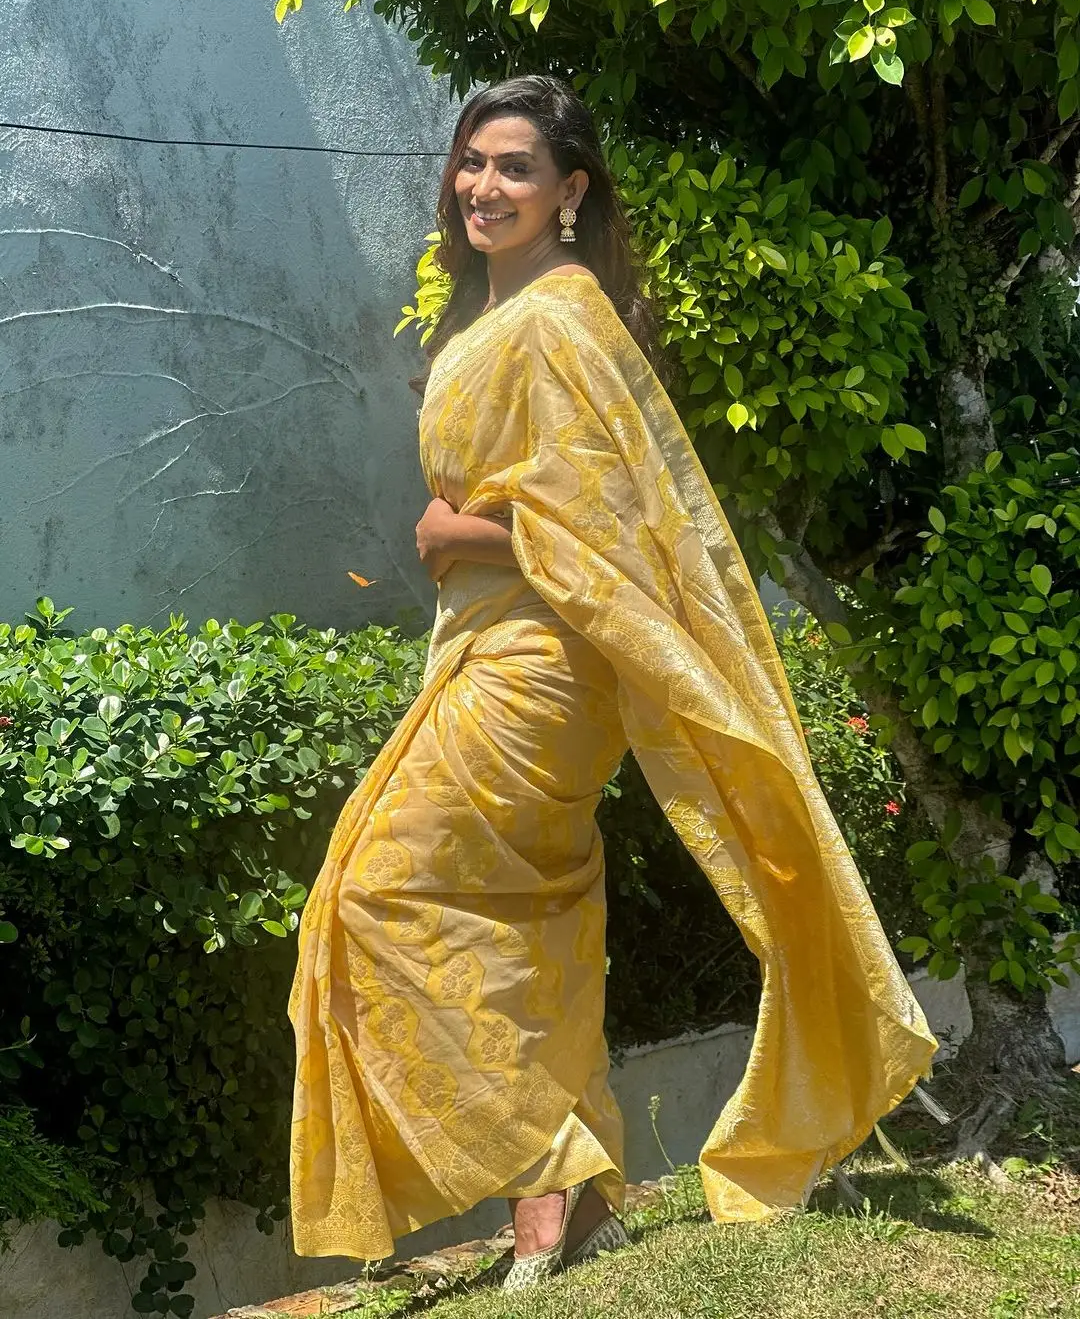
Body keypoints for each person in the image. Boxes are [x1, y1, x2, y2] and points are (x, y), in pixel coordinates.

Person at [288, 74, 937, 1292]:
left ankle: (556, 1167)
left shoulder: (566, 318)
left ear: (571, 192)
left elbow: (620, 530)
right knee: (517, 914)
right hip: (487, 651)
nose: (486, 185)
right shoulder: (492, 312)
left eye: (517, 167)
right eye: (474, 161)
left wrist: (456, 539)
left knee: (381, 891)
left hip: (542, 665)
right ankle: (574, 1200)